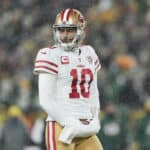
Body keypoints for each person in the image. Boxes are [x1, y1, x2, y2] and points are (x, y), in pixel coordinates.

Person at [33, 8, 103, 150]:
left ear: (81, 30)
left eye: (70, 30)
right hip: (61, 125)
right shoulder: (49, 54)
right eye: (61, 30)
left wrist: (95, 119)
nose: (64, 35)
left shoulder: (89, 53)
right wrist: (69, 122)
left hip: (85, 125)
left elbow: (94, 93)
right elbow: (45, 100)